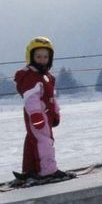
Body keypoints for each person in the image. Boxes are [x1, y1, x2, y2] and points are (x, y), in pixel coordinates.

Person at [13, 37, 74, 183]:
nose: (42, 60)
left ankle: (30, 170)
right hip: (37, 115)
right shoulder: (31, 77)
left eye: (46, 57)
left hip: (45, 115)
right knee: (44, 141)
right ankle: (48, 171)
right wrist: (35, 115)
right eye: (38, 57)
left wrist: (56, 112)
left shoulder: (45, 76)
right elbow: (31, 98)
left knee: (33, 140)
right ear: (31, 57)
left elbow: (51, 97)